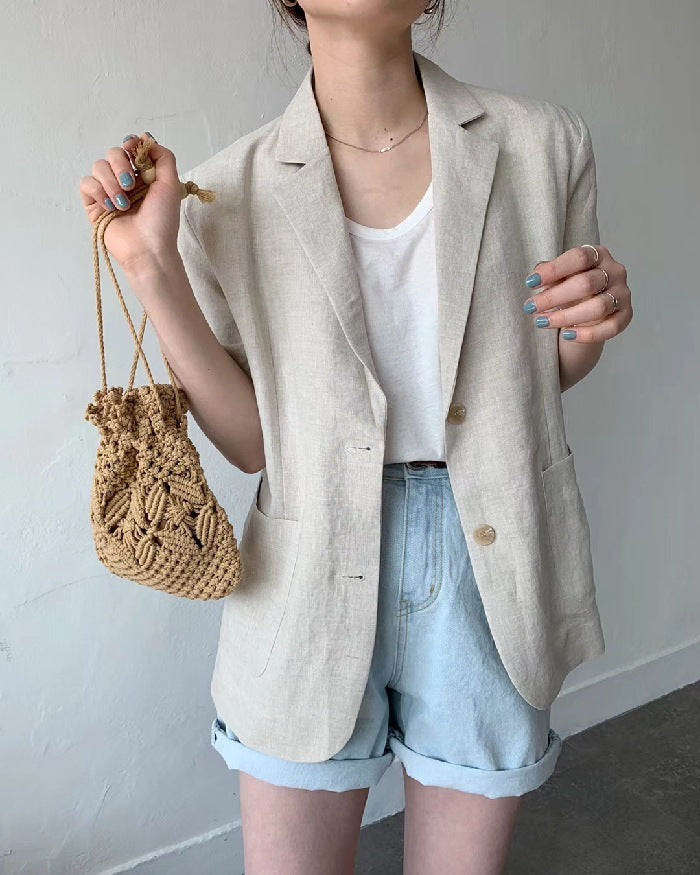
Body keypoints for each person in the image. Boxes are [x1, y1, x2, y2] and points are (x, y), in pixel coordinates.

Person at [78, 2, 633, 872]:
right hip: (307, 568)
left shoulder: (543, 144)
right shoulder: (225, 194)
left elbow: (548, 372)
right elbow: (254, 444)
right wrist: (150, 264)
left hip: (492, 561)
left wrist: (590, 323)